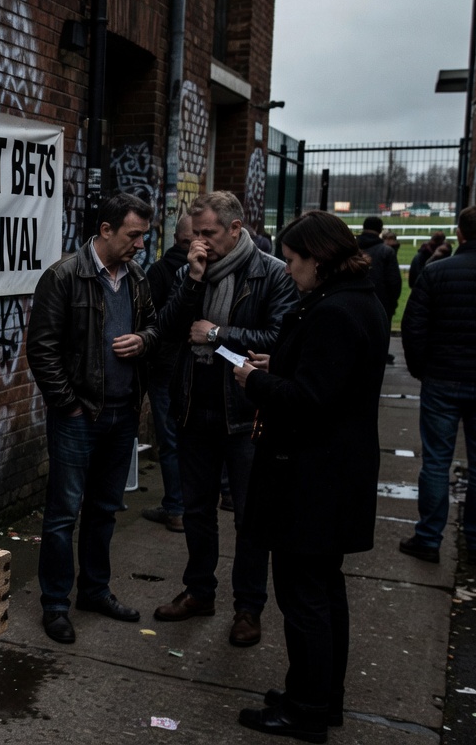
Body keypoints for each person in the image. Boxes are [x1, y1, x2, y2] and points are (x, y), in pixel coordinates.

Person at [232, 210, 389, 742]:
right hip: (331, 476)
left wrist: (255, 381)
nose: (290, 270)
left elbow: (311, 400)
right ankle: (319, 697)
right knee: (322, 592)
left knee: (305, 598)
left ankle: (306, 710)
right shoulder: (353, 301)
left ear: (318, 260)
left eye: (295, 261)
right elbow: (327, 378)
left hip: (313, 480)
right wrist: (280, 364)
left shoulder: (335, 311)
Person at [149, 190, 299, 648]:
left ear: (235, 230)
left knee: (249, 520)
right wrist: (193, 280)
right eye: (196, 235)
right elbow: (170, 329)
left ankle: (248, 609)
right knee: (197, 511)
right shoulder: (188, 270)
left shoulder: (271, 274)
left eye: (209, 234)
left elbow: (277, 337)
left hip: (247, 415)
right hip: (196, 407)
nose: (202, 244)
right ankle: (199, 592)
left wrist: (218, 335)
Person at [26, 192, 157, 643]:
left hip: (122, 416)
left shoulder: (137, 278)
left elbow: (156, 327)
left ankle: (95, 591)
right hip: (79, 417)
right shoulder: (64, 277)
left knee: (105, 510)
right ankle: (56, 604)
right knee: (64, 513)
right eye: (133, 235)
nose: (141, 244)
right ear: (105, 230)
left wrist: (143, 339)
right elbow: (41, 350)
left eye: (144, 235)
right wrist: (69, 405)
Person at [399, 204, 476, 566]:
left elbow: (414, 327)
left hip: (443, 379)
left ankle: (429, 538)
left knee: (436, 462)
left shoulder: (437, 273)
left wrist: (420, 370)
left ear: (459, 234)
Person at [140, 215, 193, 533]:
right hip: (192, 366)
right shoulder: (212, 268)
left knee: (171, 439)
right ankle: (216, 495)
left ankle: (176, 507)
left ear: (175, 238)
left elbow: (149, 319)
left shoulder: (159, 271)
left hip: (164, 366)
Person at [357, 216, 401, 322]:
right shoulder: (387, 251)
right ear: (380, 229)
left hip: (354, 302)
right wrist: (392, 304)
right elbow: (394, 282)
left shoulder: (351, 248)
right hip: (381, 303)